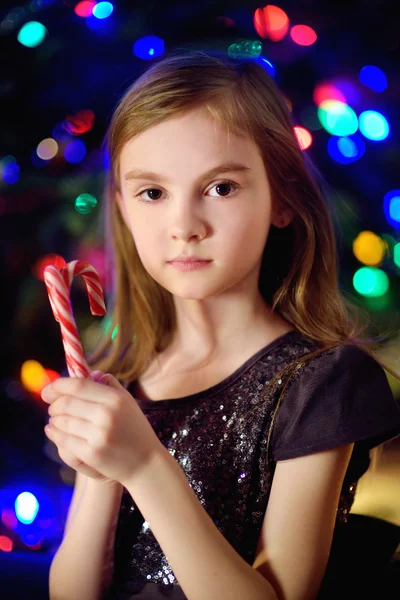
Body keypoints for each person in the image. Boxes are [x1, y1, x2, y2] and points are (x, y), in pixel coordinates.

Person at [41, 49, 400, 600]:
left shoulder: (320, 382)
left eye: (221, 188)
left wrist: (144, 464)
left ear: (281, 198)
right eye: (153, 193)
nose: (184, 225)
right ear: (122, 206)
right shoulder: (122, 378)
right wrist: (101, 471)